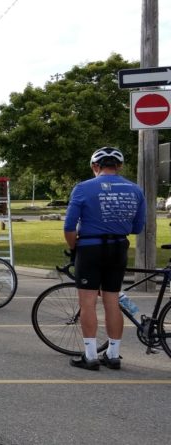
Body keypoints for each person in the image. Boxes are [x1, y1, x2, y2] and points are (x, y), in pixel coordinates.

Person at [64, 147, 144, 370]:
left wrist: (74, 247)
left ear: (95, 166)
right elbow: (137, 227)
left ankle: (90, 356)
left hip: (90, 247)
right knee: (112, 301)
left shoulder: (83, 188)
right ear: (119, 166)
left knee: (88, 303)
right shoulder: (135, 190)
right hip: (118, 247)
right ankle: (114, 354)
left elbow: (69, 226)